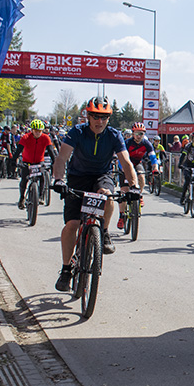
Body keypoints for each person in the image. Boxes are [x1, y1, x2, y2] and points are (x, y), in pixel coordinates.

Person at [51, 97, 139, 291]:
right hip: (77, 177)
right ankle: (66, 269)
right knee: (72, 225)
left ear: (108, 118)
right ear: (88, 116)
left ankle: (104, 232)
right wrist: (58, 180)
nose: (100, 121)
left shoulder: (114, 135)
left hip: (101, 176)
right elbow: (62, 158)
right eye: (96, 117)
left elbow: (126, 162)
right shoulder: (77, 132)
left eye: (104, 117)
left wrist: (134, 186)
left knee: (107, 196)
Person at [117, 122, 157, 226]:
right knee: (124, 191)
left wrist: (155, 168)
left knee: (141, 177)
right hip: (126, 164)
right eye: (136, 133)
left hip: (137, 163)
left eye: (141, 134)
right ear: (133, 134)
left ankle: (140, 194)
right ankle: (121, 215)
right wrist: (123, 169)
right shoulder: (127, 143)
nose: (139, 136)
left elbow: (153, 157)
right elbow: (120, 157)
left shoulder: (146, 143)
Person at [13, 119, 56, 209]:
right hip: (27, 161)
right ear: (32, 130)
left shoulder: (45, 138)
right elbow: (18, 150)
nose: (37, 133)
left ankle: (40, 196)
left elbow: (51, 151)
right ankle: (22, 198)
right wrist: (13, 161)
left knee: (42, 177)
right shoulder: (26, 137)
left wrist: (55, 162)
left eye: (39, 131)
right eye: (36, 131)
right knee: (24, 180)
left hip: (39, 161)